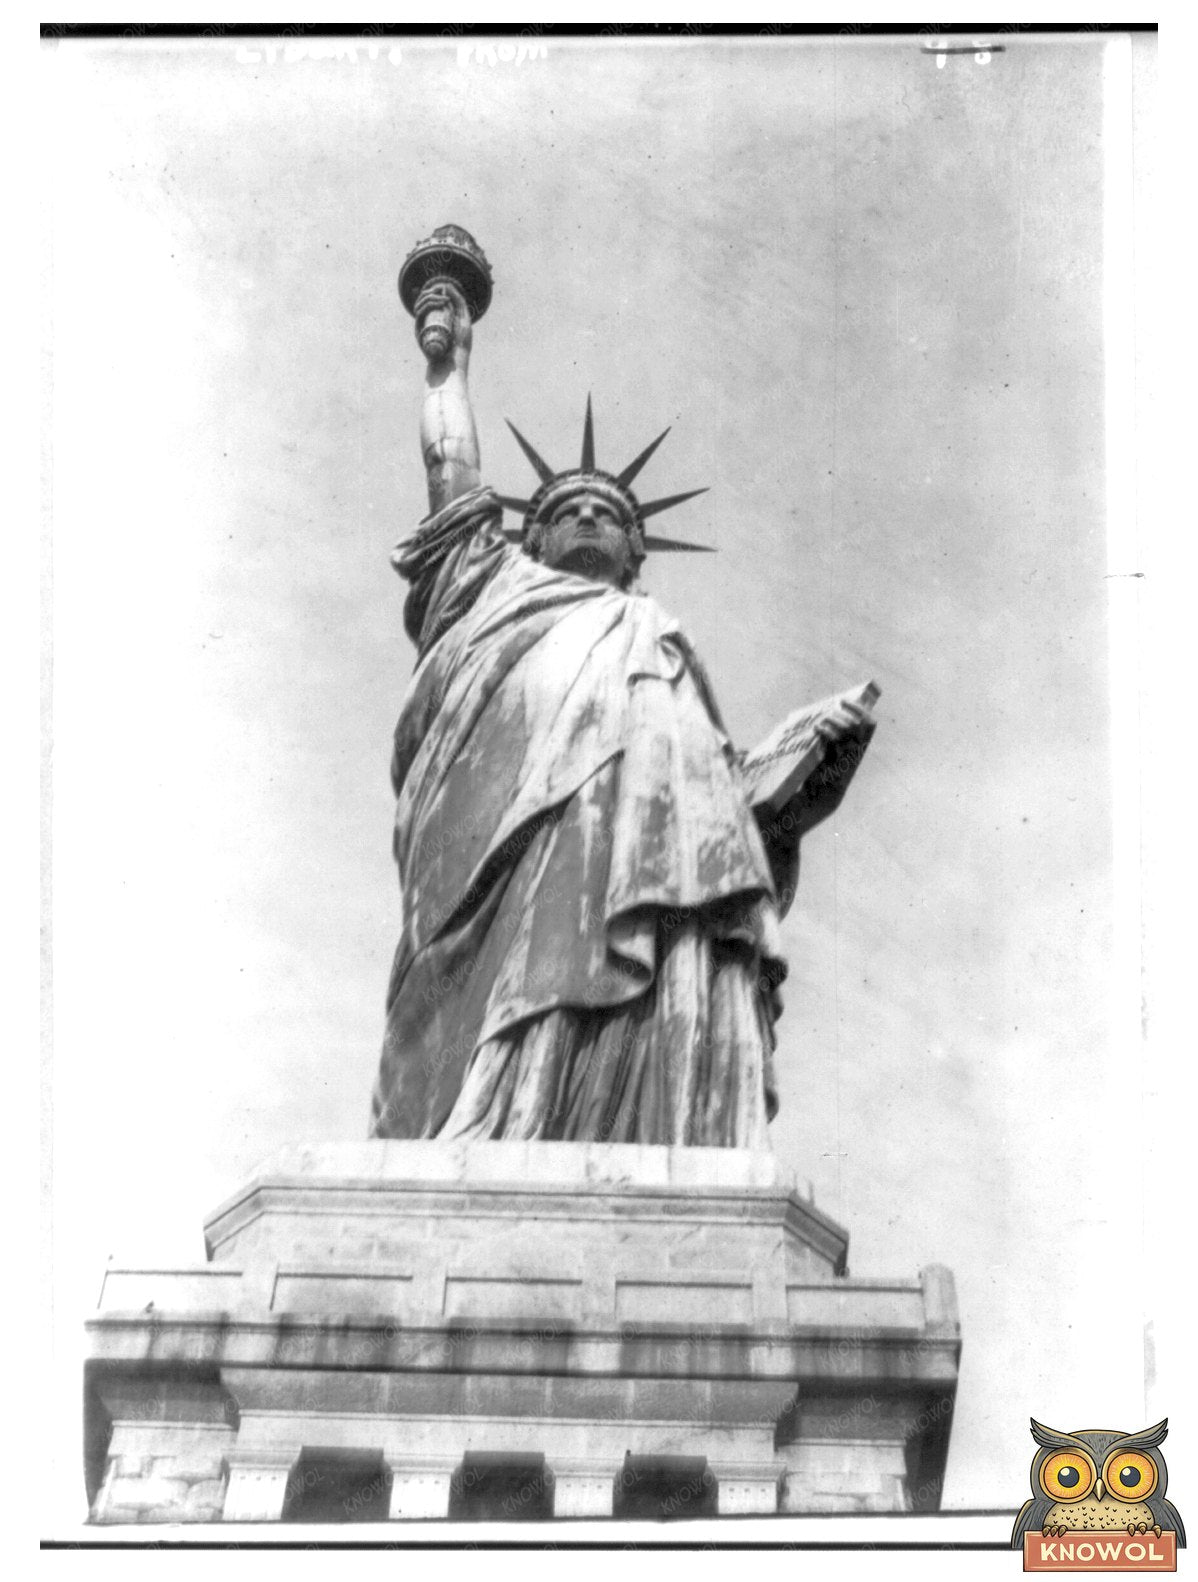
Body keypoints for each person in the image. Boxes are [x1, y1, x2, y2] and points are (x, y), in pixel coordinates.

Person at [369, 280, 865, 1147]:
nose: (590, 518)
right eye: (568, 512)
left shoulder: (659, 638)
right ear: (535, 540)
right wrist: (447, 363)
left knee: (663, 960)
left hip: (647, 882)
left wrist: (798, 789)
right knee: (513, 988)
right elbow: (450, 474)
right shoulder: (492, 591)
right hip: (512, 857)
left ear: (636, 552)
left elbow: (718, 823)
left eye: (609, 514)